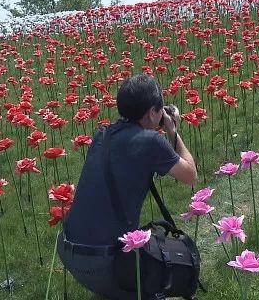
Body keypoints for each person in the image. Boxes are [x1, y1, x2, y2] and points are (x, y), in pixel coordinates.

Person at [58, 74, 198, 299]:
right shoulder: (152, 142)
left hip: (68, 249)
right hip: (104, 261)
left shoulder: (102, 134)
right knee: (169, 271)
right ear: (153, 112)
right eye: (160, 109)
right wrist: (173, 130)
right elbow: (191, 175)